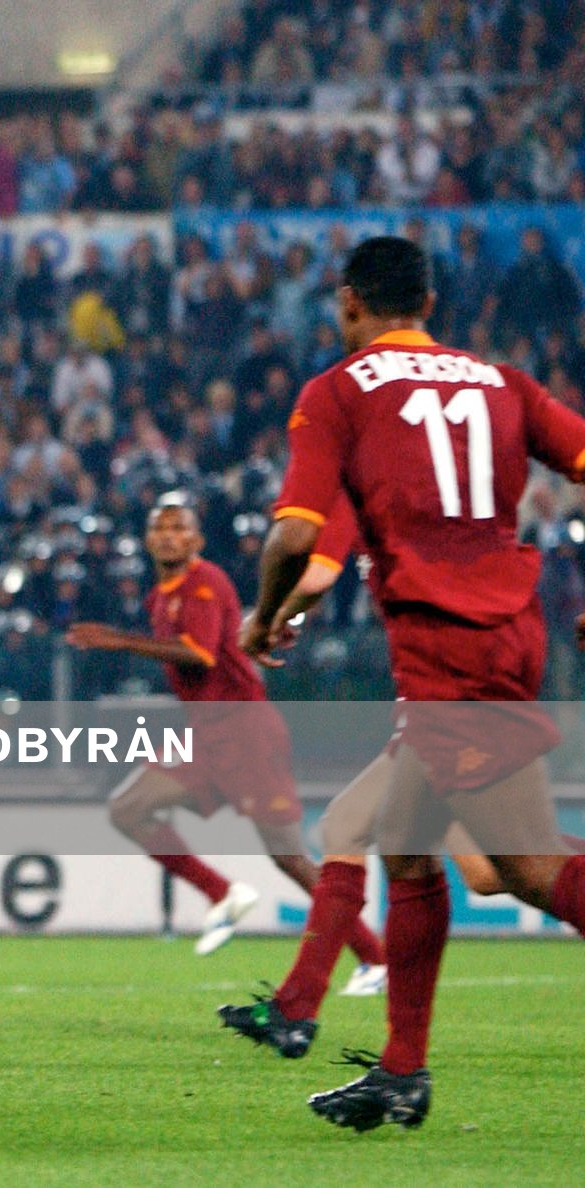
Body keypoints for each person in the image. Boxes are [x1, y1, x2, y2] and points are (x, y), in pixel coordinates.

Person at [247, 235, 585, 1131]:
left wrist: (261, 614)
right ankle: (401, 1072)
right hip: (507, 629)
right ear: (429, 304)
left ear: (349, 302)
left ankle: (388, 1061)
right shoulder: (502, 384)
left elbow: (295, 537)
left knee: (522, 866)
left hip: (450, 645)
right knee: (403, 841)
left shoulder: (336, 393)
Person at [65, 499, 384, 968]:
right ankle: (222, 894)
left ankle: (374, 957)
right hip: (204, 733)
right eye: (160, 528)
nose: (169, 535)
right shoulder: (159, 598)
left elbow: (201, 654)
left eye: (179, 528)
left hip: (245, 730)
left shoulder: (206, 582)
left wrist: (120, 640)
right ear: (148, 540)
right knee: (128, 808)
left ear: (196, 539)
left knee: (289, 857)